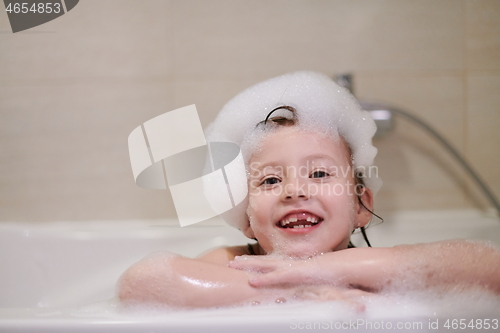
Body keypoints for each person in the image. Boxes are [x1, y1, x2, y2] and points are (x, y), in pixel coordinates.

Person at [118, 72, 500, 308]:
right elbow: (144, 283)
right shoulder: (237, 263)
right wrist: (293, 290)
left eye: (319, 173)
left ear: (361, 206)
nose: (294, 190)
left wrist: (325, 269)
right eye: (269, 180)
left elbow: (490, 270)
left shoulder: (376, 267)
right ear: (246, 219)